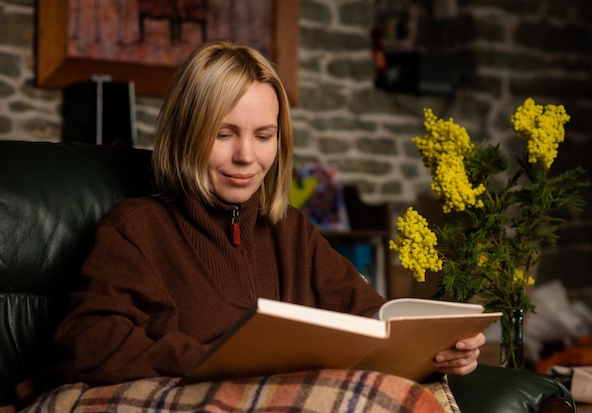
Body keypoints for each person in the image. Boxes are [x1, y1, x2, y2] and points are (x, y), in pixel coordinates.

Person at [52, 39, 485, 387]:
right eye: (223, 134)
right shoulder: (135, 228)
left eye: (264, 136)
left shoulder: (290, 230)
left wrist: (439, 352)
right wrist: (217, 358)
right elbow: (85, 343)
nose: (247, 156)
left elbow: (374, 321)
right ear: (185, 135)